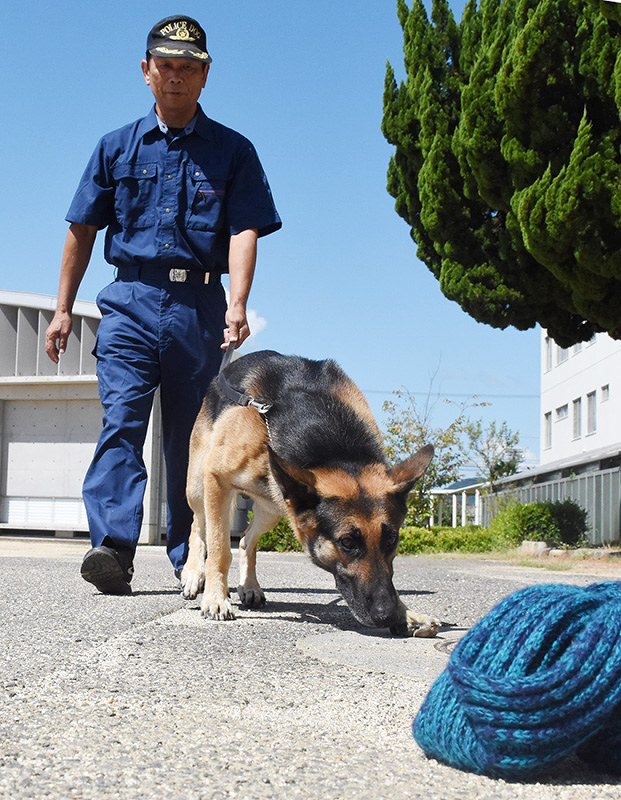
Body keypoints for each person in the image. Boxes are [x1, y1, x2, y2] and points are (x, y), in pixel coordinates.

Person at [45, 15, 281, 595]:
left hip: (199, 304)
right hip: (129, 300)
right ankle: (113, 548)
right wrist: (61, 308)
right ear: (146, 72)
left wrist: (238, 302)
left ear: (204, 76)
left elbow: (244, 229)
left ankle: (190, 554)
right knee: (121, 422)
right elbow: (81, 228)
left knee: (189, 436)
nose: (175, 78)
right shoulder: (114, 147)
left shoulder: (233, 151)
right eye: (165, 66)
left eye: (187, 68)